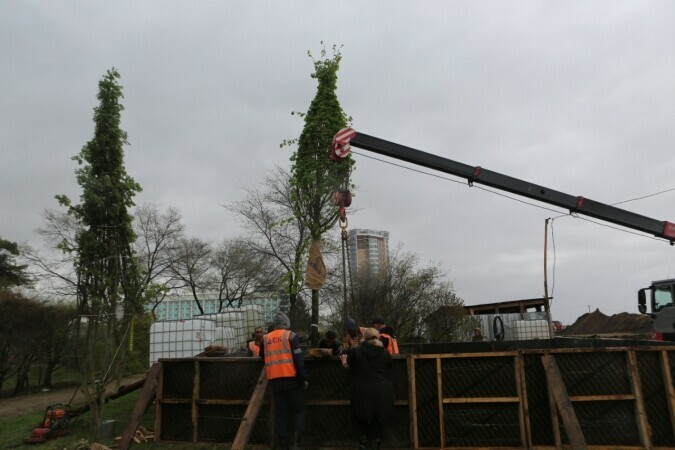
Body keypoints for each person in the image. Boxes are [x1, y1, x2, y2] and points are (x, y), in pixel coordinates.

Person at [260, 312, 308, 450]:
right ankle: (297, 443)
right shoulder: (290, 336)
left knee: (281, 412)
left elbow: (263, 356)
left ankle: (283, 444)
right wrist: (303, 378)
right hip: (291, 379)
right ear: (286, 324)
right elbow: (298, 359)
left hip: (274, 381)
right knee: (300, 409)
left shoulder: (265, 338)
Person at [345, 327, 394, 450]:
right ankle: (378, 441)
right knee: (379, 417)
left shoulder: (357, 351)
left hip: (362, 389)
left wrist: (345, 362)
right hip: (382, 389)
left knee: (362, 417)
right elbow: (390, 366)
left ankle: (363, 442)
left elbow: (349, 363)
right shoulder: (384, 352)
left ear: (364, 338)